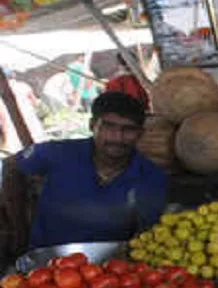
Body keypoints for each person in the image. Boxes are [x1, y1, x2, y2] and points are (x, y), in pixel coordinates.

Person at [6, 92, 167, 251]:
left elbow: (145, 234)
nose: (117, 137)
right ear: (92, 125)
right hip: (44, 262)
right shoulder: (58, 153)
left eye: (128, 129)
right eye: (108, 126)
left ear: (140, 133)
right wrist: (18, 227)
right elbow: (11, 166)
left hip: (108, 269)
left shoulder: (151, 177)